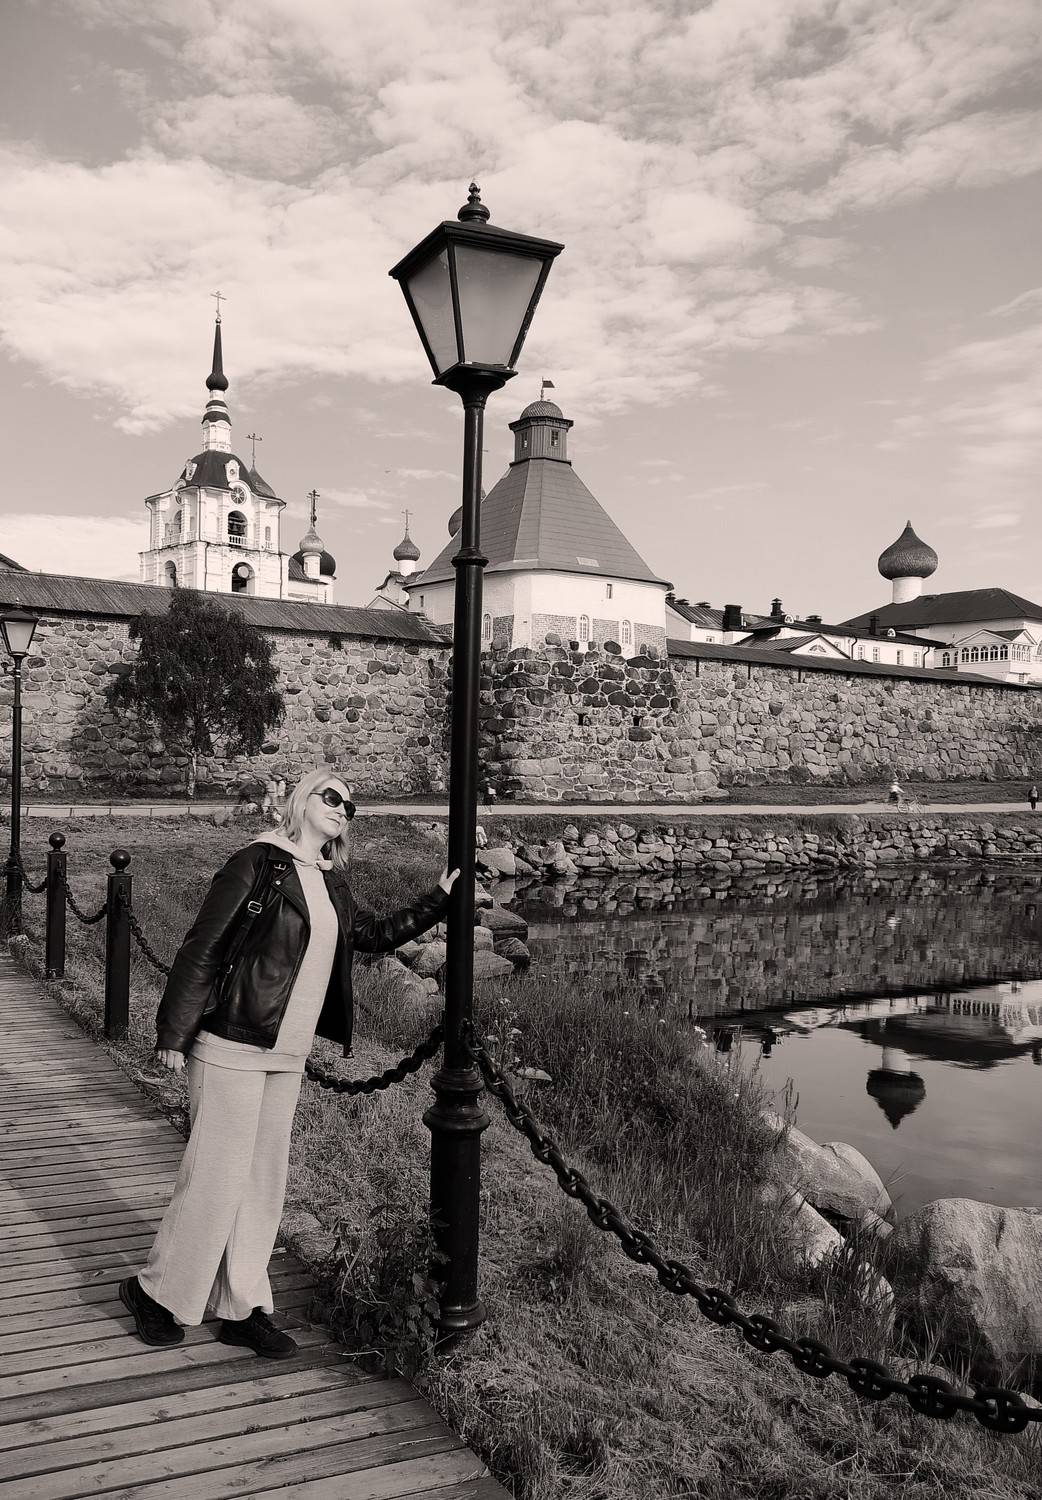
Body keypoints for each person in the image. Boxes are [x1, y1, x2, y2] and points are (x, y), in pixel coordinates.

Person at [119, 767, 458, 1357]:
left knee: (262, 1183)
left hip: (288, 1053)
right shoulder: (257, 863)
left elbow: (372, 935)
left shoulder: (331, 882)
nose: (342, 809)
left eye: (350, 806)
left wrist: (439, 900)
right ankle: (156, 1292)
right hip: (231, 1043)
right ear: (301, 800)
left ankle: (241, 1306)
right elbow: (204, 946)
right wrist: (173, 1031)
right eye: (332, 796)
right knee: (215, 1177)